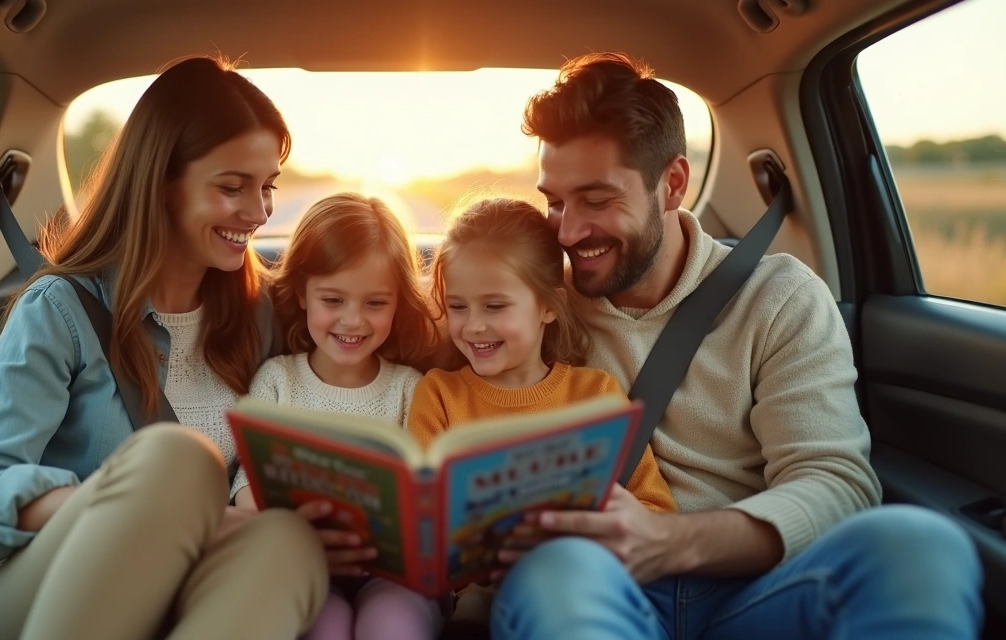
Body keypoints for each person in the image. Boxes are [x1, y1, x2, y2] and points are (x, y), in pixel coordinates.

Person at [488, 52, 983, 639]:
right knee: (557, 571)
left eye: (597, 201)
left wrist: (668, 542)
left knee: (917, 544)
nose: (568, 231)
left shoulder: (779, 297)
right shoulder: (527, 307)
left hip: (757, 591)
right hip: (592, 586)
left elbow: (837, 484)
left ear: (672, 184)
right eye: (555, 201)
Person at [0, 56, 330, 640]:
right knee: (180, 463)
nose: (259, 213)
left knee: (288, 543)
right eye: (232, 187)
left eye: (267, 187)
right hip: (44, 593)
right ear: (162, 183)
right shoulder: (60, 310)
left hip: (199, 591)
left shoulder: (264, 312)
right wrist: (136, 510)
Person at [406, 197, 677, 626]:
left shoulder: (595, 396)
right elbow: (418, 520)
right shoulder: (438, 394)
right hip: (472, 592)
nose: (473, 325)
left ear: (549, 306)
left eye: (495, 307)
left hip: (573, 583)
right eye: (458, 306)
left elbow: (656, 511)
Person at [238, 192, 444, 639]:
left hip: (393, 577)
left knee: (393, 625)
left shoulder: (410, 388)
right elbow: (246, 488)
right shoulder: (277, 381)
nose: (353, 321)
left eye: (375, 304)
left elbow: (429, 496)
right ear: (302, 294)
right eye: (333, 300)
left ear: (398, 303)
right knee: (323, 627)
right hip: (305, 566)